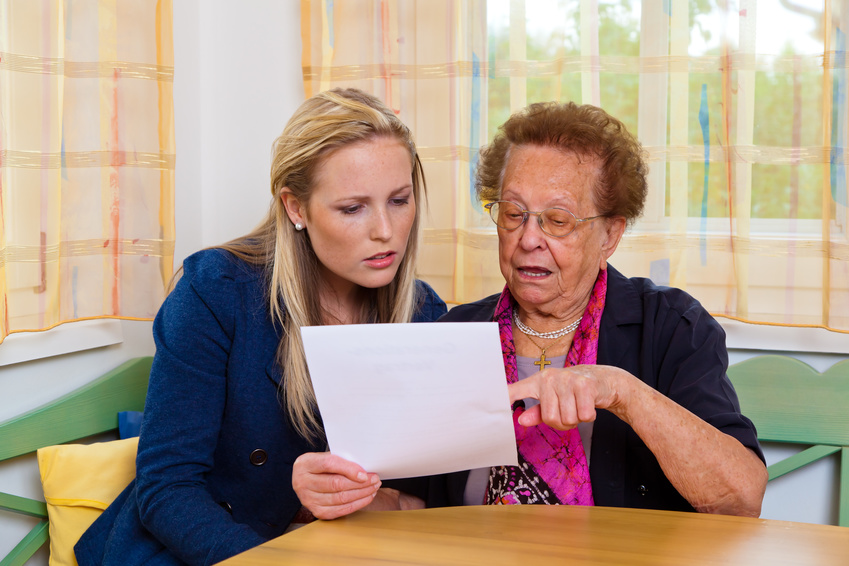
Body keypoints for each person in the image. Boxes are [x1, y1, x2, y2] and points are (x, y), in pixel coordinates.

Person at [293, 101, 767, 519]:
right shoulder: (455, 332)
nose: (529, 239)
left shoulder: (671, 326)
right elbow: (411, 505)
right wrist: (335, 493)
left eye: (558, 221)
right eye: (514, 214)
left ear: (610, 234)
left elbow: (740, 498)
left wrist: (621, 392)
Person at [74, 88, 447, 566]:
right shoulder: (216, 291)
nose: (386, 230)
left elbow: (426, 484)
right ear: (295, 208)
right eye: (352, 208)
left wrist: (386, 500)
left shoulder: (422, 311)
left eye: (399, 200)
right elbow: (167, 488)